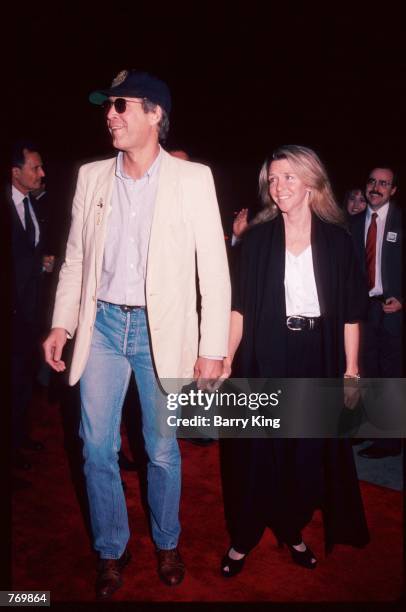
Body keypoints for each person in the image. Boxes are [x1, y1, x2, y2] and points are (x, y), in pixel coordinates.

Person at [43, 69, 230, 598]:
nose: (110, 115)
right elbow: (77, 259)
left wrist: (211, 349)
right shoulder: (92, 175)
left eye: (121, 105)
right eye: (108, 106)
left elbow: (213, 270)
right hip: (100, 326)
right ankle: (110, 548)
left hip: (159, 333)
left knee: (162, 449)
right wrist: (63, 322)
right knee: (94, 447)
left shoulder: (193, 179)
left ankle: (166, 540)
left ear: (155, 114)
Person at [220, 145, 369, 577]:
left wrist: (351, 372)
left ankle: (293, 528)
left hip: (316, 356)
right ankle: (243, 537)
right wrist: (227, 359)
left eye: (288, 177)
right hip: (265, 353)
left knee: (303, 454)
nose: (278, 186)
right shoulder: (258, 239)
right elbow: (240, 308)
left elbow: (352, 314)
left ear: (311, 183)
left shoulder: (339, 242)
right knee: (255, 451)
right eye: (273, 178)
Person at [350, 165, 402, 458]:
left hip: (394, 311)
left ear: (393, 190)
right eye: (372, 181)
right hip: (364, 309)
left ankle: (391, 442)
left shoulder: (401, 222)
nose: (376, 187)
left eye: (384, 183)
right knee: (365, 371)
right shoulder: (354, 223)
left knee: (391, 377)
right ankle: (368, 429)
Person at [7, 142, 48, 476]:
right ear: (15, 171)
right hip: (10, 315)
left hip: (28, 315)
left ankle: (18, 439)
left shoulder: (31, 204)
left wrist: (42, 265)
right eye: (35, 167)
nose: (41, 173)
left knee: (21, 382)